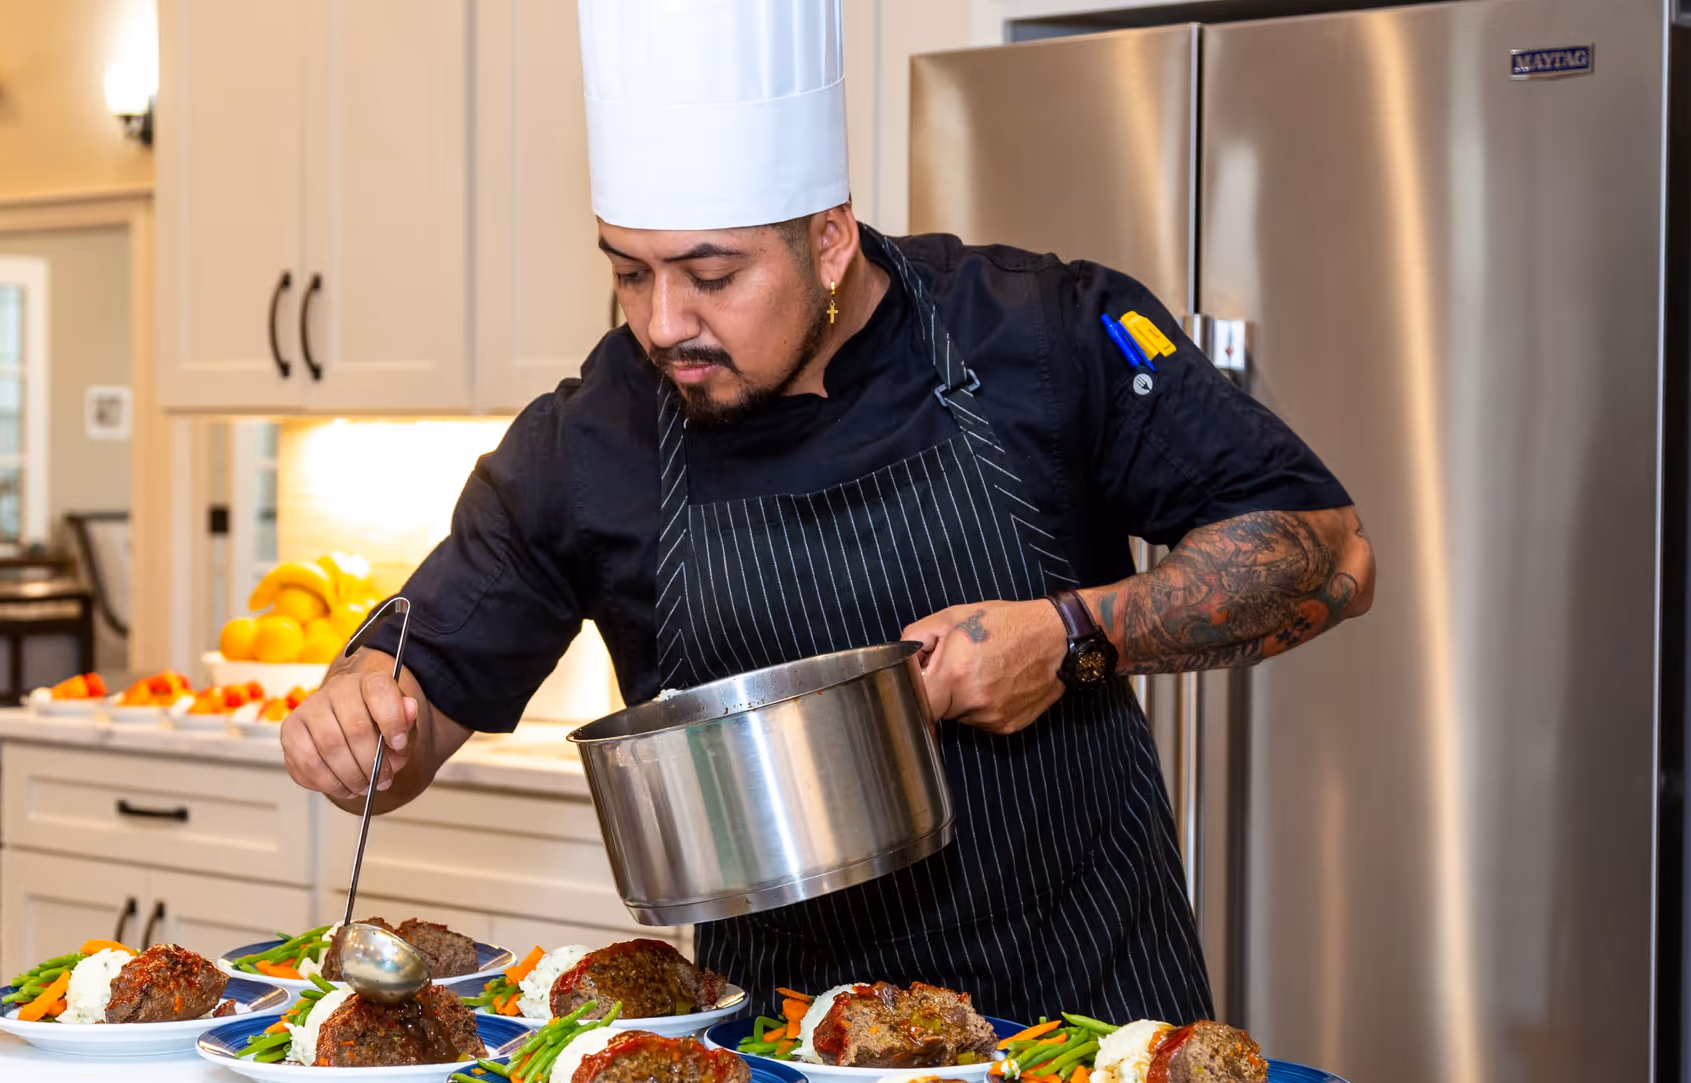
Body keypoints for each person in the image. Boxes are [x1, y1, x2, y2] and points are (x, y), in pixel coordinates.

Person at [281, 0, 1374, 1024]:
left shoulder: (1033, 334)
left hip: (1088, 1024)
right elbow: (414, 711)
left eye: (712, 275)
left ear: (830, 239)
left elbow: (1331, 555)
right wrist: (361, 716)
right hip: (776, 1070)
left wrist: (1076, 636)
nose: (665, 323)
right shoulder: (592, 436)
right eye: (630, 273)